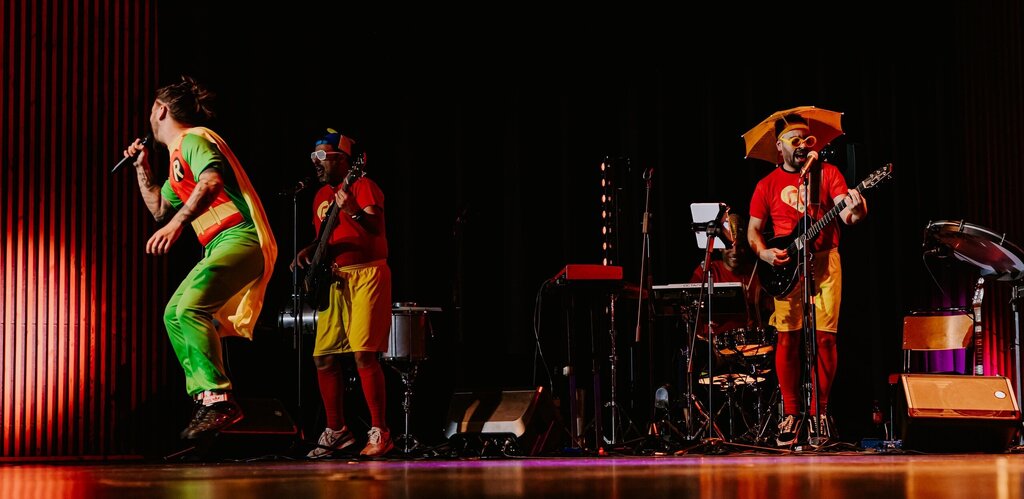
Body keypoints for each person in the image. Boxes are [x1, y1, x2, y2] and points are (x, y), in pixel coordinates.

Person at [123, 76, 277, 439]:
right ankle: (207, 398)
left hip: (239, 238)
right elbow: (160, 208)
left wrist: (178, 226)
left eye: (151, 109)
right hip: (222, 243)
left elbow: (211, 182)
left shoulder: (194, 140)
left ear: (160, 109)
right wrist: (143, 168)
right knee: (174, 314)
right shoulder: (178, 156)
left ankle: (218, 400)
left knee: (189, 308)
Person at [747, 114, 866, 447]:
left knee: (825, 339)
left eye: (806, 139)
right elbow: (753, 231)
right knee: (788, 339)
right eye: (794, 140)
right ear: (780, 146)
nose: (802, 145)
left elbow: (847, 214)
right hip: (786, 267)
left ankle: (820, 412)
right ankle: (792, 412)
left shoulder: (828, 174)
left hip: (826, 261)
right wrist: (765, 253)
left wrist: (857, 210)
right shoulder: (766, 184)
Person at [291, 129, 393, 458]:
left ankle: (380, 431)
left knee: (364, 354)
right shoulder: (320, 195)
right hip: (334, 280)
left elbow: (375, 228)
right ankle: (337, 431)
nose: (316, 163)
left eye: (322, 157)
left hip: (367, 275)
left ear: (343, 160)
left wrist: (352, 209)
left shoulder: (363, 186)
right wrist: (307, 251)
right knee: (323, 356)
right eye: (313, 157)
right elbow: (325, 238)